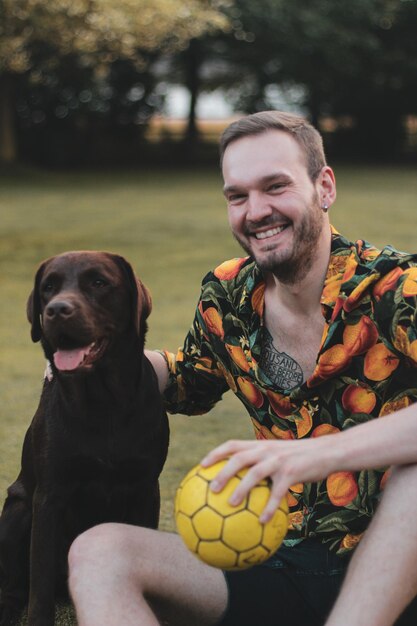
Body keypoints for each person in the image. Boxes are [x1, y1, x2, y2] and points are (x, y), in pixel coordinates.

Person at [67, 111, 417, 626]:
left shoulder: (396, 287)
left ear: (324, 187)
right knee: (100, 551)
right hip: (278, 559)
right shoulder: (228, 294)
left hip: (397, 570)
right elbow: (190, 377)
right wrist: (97, 358)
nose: (256, 211)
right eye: (237, 196)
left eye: (275, 186)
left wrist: (307, 457)